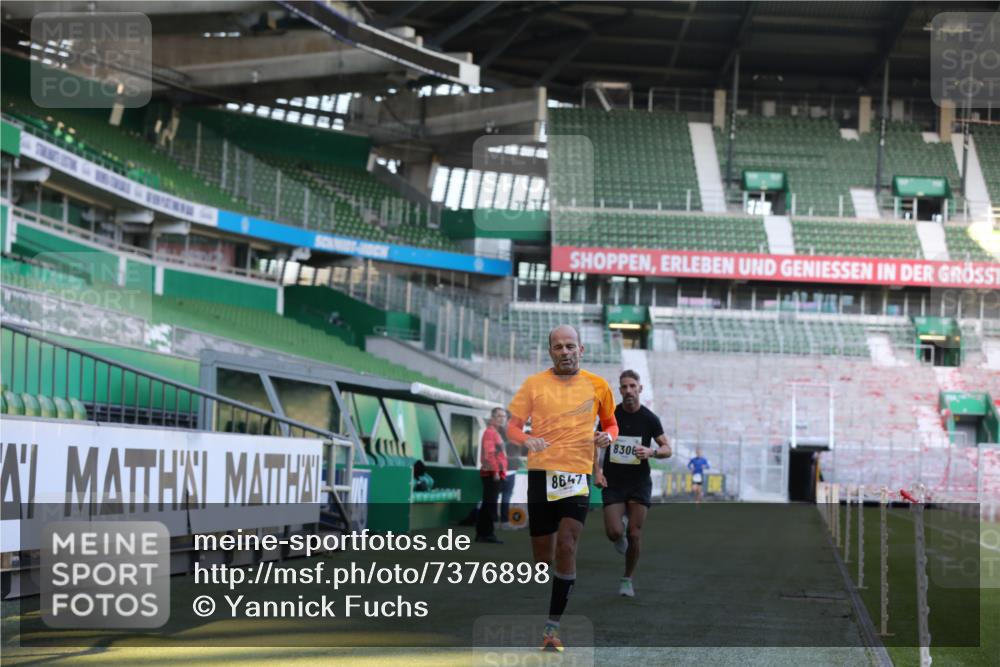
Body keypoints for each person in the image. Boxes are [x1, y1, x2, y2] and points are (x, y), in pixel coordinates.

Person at [507, 325, 618, 652]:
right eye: (559, 347)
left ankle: (551, 629)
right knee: (543, 558)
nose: (565, 352)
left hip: (576, 476)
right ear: (550, 352)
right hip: (541, 475)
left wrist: (608, 436)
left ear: (581, 350)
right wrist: (527, 439)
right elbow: (512, 428)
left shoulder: (598, 385)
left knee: (567, 546)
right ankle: (552, 570)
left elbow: (611, 423)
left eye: (570, 346)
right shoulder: (534, 384)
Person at [594, 369, 671, 597]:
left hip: (639, 483)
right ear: (620, 390)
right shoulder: (610, 416)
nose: (628, 390)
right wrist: (597, 471)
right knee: (614, 532)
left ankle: (627, 579)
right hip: (614, 482)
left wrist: (651, 452)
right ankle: (620, 533)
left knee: (634, 534)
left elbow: (667, 449)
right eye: (624, 387)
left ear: (640, 389)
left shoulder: (649, 419)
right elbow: (595, 444)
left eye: (632, 386)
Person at [476, 407, 508, 544]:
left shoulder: (494, 432)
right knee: (490, 504)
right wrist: (495, 472)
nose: (502, 419)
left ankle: (482, 534)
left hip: (494, 473)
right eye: (499, 416)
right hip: (491, 473)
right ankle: (487, 534)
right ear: (492, 418)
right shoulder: (490, 433)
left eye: (504, 416)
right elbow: (489, 455)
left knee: (488, 504)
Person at [499, 410, 521, 529]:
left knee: (501, 496)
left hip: (506, 469)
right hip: (504, 469)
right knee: (504, 496)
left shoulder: (501, 431)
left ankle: (501, 521)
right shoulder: (509, 432)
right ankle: (503, 522)